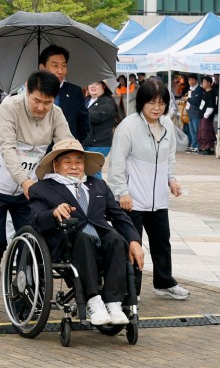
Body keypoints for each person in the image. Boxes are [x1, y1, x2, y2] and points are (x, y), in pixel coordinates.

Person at [0, 69, 74, 317]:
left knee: (30, 243)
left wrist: (77, 170)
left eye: (48, 102)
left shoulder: (56, 114)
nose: (41, 108)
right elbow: (7, 148)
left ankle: (22, 296)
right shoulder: (9, 108)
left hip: (26, 192)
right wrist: (25, 181)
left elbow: (66, 144)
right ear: (27, 92)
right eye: (37, 100)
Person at [29, 138, 146, 326]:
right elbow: (34, 219)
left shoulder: (98, 186)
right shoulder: (42, 189)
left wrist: (134, 241)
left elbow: (119, 215)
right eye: (67, 162)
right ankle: (93, 300)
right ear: (56, 165)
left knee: (116, 239)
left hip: (100, 238)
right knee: (83, 238)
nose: (74, 166)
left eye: (78, 161)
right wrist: (53, 213)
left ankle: (113, 303)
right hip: (67, 242)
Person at [106, 77, 189, 300]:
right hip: (132, 198)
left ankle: (164, 282)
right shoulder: (128, 127)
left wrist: (172, 180)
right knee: (132, 243)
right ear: (141, 102)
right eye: (152, 102)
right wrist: (122, 192)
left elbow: (169, 157)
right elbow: (117, 164)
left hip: (158, 199)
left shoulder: (167, 125)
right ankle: (131, 288)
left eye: (161, 103)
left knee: (162, 241)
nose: (157, 108)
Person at [40, 44, 88, 145]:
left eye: (64, 65)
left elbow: (84, 125)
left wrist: (74, 145)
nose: (60, 71)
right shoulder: (34, 91)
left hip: (65, 150)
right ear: (42, 67)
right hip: (38, 153)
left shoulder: (74, 92)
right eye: (55, 66)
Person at [84, 78, 119, 159]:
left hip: (99, 143)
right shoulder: (86, 100)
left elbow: (97, 117)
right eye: (90, 83)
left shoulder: (107, 101)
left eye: (97, 84)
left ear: (103, 86)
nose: (93, 86)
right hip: (86, 142)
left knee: (93, 170)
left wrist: (80, 111)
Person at [196, 76, 218, 155]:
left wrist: (206, 115)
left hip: (207, 116)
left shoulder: (212, 93)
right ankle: (203, 147)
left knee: (206, 132)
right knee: (201, 132)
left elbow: (211, 105)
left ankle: (209, 148)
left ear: (209, 83)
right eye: (203, 82)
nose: (203, 84)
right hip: (202, 115)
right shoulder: (205, 92)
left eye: (205, 82)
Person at [184, 75, 202, 153]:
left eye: (192, 80)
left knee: (197, 130)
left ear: (196, 81)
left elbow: (196, 101)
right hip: (190, 112)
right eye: (189, 80)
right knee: (192, 131)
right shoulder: (190, 90)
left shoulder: (199, 90)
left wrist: (188, 99)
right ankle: (193, 145)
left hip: (196, 113)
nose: (191, 82)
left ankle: (198, 146)